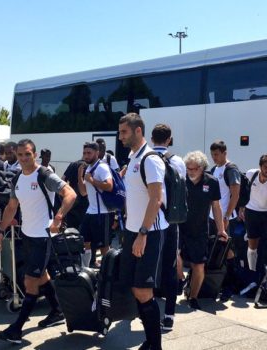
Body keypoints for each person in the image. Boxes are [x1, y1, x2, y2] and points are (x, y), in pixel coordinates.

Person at [0, 139, 77, 344]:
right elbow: (12, 207)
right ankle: (57, 310)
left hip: (43, 236)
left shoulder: (44, 175)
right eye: (20, 155)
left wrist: (58, 217)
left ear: (35, 154)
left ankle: (16, 329)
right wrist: (0, 231)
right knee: (42, 277)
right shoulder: (18, 178)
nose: (23, 158)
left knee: (30, 281)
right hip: (27, 235)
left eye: (27, 154)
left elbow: (70, 194)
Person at [118, 113, 166, 350]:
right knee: (135, 289)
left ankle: (155, 345)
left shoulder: (150, 159)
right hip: (132, 231)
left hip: (148, 233)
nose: (120, 137)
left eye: (124, 132)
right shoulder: (132, 157)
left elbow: (156, 199)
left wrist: (143, 232)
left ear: (138, 131)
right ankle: (149, 341)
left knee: (144, 291)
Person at [149, 123, 186, 331]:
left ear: (152, 138)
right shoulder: (177, 161)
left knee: (149, 264)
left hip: (150, 219)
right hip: (171, 221)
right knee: (170, 266)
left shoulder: (145, 159)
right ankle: (169, 315)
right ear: (169, 139)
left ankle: (148, 308)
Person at [179, 150, 225, 311]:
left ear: (202, 168)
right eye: (188, 169)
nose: (190, 172)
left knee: (198, 266)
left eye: (194, 169)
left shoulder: (211, 182)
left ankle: (193, 296)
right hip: (179, 226)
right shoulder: (181, 179)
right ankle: (180, 280)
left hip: (199, 230)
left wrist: (221, 229)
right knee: (175, 256)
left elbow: (216, 207)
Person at [208, 140, 241, 299]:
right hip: (212, 217)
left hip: (226, 218)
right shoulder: (214, 169)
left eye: (216, 154)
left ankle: (231, 285)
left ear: (224, 153)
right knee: (217, 251)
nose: (214, 157)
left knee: (228, 252)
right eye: (212, 154)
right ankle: (219, 283)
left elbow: (235, 194)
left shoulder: (231, 169)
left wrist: (227, 216)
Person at [77, 142, 114, 267]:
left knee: (104, 246)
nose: (86, 156)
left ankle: (107, 273)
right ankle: (85, 269)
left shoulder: (102, 167)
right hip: (90, 212)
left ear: (97, 153)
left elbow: (109, 185)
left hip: (102, 213)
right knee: (84, 242)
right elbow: (83, 193)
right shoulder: (89, 167)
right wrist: (79, 176)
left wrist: (91, 180)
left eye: (89, 153)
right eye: (84, 153)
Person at [62, 157, 89, 229]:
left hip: (72, 200)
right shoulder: (88, 166)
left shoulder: (72, 164)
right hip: (85, 201)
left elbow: (63, 179)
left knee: (70, 228)